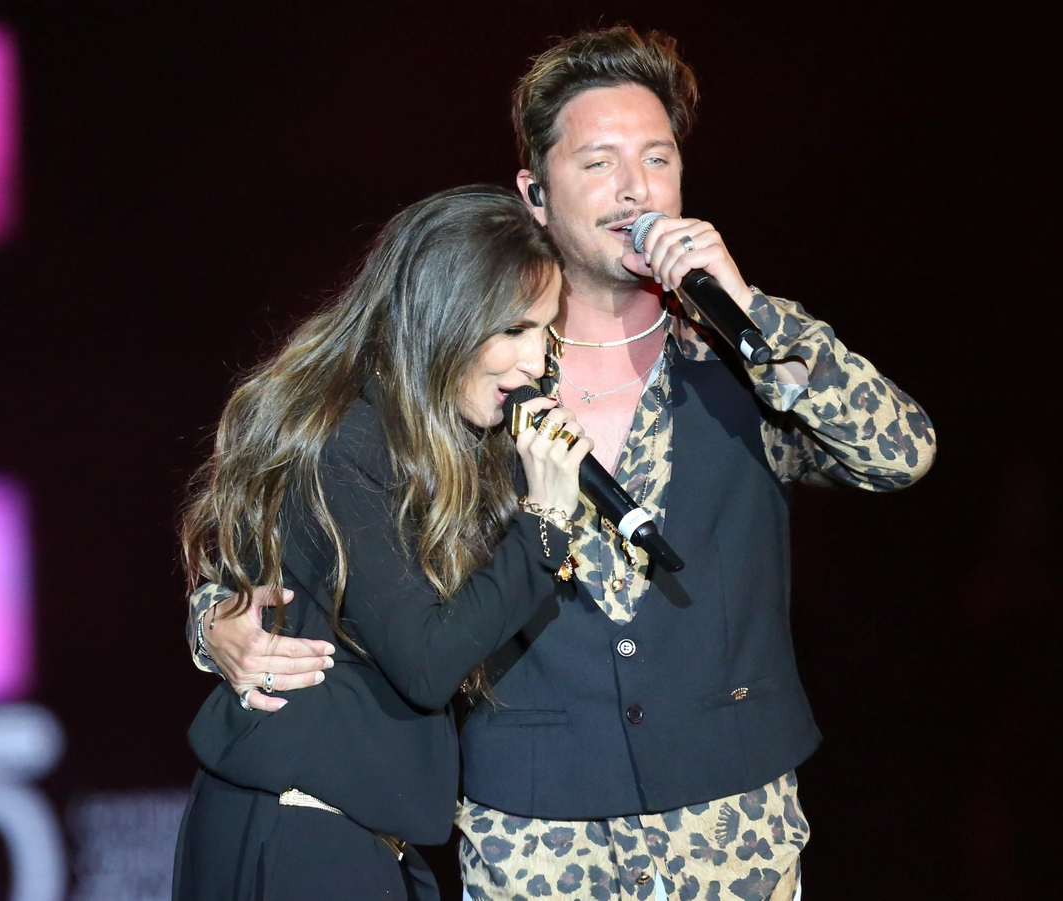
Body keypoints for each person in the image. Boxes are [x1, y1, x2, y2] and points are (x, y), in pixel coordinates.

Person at [190, 27, 937, 901]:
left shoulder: (741, 356)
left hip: (732, 825)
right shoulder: (476, 369)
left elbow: (901, 453)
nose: (635, 188)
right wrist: (215, 621)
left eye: (658, 159)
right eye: (599, 162)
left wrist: (750, 312)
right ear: (535, 193)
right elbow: (307, 519)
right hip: (533, 835)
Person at [171, 185, 597, 900]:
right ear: (444, 320)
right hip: (300, 835)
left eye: (545, 332)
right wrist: (546, 520)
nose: (535, 362)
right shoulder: (347, 439)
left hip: (364, 839)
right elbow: (427, 660)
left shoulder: (435, 446)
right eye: (515, 330)